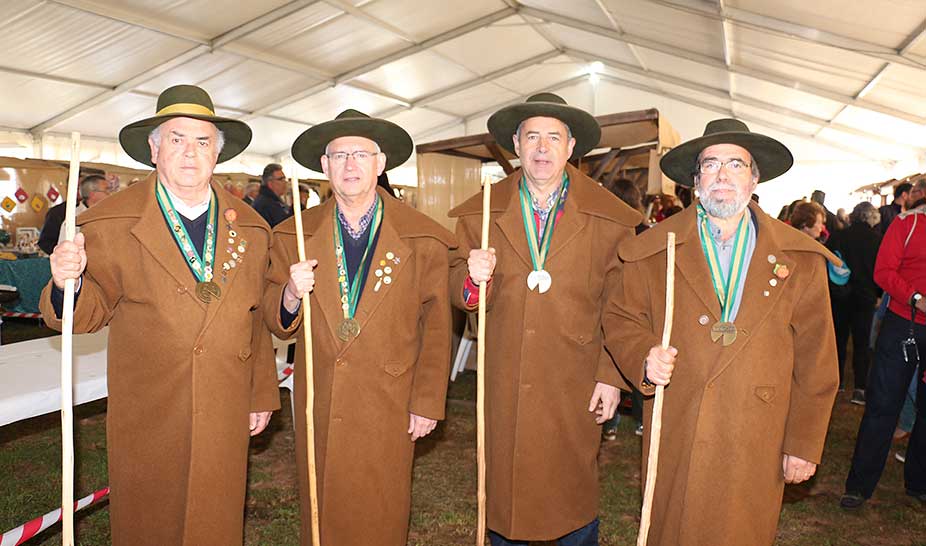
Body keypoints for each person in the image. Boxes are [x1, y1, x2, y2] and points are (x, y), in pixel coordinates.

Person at [39, 84, 280, 546]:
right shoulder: (109, 223)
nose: (190, 153)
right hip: (149, 406)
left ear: (218, 153)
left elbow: (252, 317)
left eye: (202, 141)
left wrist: (261, 394)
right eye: (176, 139)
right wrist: (69, 282)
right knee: (149, 521)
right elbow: (85, 315)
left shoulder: (251, 227)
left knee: (217, 516)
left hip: (225, 403)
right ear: (153, 148)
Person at [606, 119, 840, 545]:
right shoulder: (655, 248)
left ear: (754, 178)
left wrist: (803, 441)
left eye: (736, 164)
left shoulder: (800, 259)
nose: (722, 175)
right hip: (679, 424)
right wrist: (642, 354)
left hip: (757, 434)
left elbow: (817, 358)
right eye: (710, 165)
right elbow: (622, 319)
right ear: (695, 181)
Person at [449, 93, 641, 545]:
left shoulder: (608, 217)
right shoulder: (482, 211)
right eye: (531, 135)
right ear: (515, 143)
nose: (541, 147)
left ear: (571, 146)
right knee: (505, 493)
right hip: (505, 378)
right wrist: (474, 280)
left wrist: (610, 375)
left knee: (571, 492)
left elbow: (624, 305)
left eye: (553, 137)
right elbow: (458, 282)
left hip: (575, 381)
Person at [262, 109, 454, 546]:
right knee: (321, 507)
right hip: (321, 397)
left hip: (390, 399)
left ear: (381, 163)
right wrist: (291, 294)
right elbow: (274, 319)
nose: (350, 165)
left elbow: (438, 327)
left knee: (381, 510)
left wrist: (426, 400)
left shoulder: (423, 237)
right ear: (324, 167)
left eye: (361, 155)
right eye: (339, 156)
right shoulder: (292, 235)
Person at [842, 178, 926, 509]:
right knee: (882, 407)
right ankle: (859, 486)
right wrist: (915, 298)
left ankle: (919, 483)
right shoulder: (908, 224)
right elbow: (883, 271)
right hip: (902, 326)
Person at [601, 177, 648, 440]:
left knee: (617, 357)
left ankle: (610, 422)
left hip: (619, 303)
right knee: (637, 363)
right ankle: (641, 420)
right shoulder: (646, 230)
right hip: (638, 306)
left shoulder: (608, 229)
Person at [827, 202, 882, 404]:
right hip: (865, 298)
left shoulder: (839, 236)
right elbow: (880, 272)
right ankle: (860, 388)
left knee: (838, 340)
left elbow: (828, 263)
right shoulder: (876, 240)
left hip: (840, 296)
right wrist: (878, 295)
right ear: (870, 218)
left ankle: (838, 382)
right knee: (861, 343)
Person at [38, 174, 110, 255]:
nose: (110, 194)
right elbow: (48, 243)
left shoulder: (107, 214)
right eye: (106, 190)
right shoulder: (73, 218)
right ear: (92, 194)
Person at [252, 162, 292, 227]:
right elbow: (282, 226)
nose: (285, 182)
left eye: (285, 179)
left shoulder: (273, 201)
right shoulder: (265, 204)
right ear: (270, 183)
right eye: (281, 179)